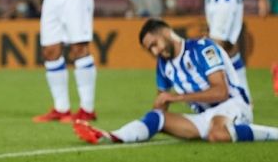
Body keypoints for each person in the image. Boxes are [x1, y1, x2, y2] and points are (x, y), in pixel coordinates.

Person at [74, 19, 278, 145]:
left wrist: (176, 97)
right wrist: (159, 107)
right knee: (158, 118)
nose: (155, 52)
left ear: (166, 32)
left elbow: (221, 92)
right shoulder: (164, 65)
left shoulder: (202, 48)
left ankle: (275, 134)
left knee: (217, 134)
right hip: (205, 117)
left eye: (154, 44)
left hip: (234, 106)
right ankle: (111, 135)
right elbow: (160, 105)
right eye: (150, 50)